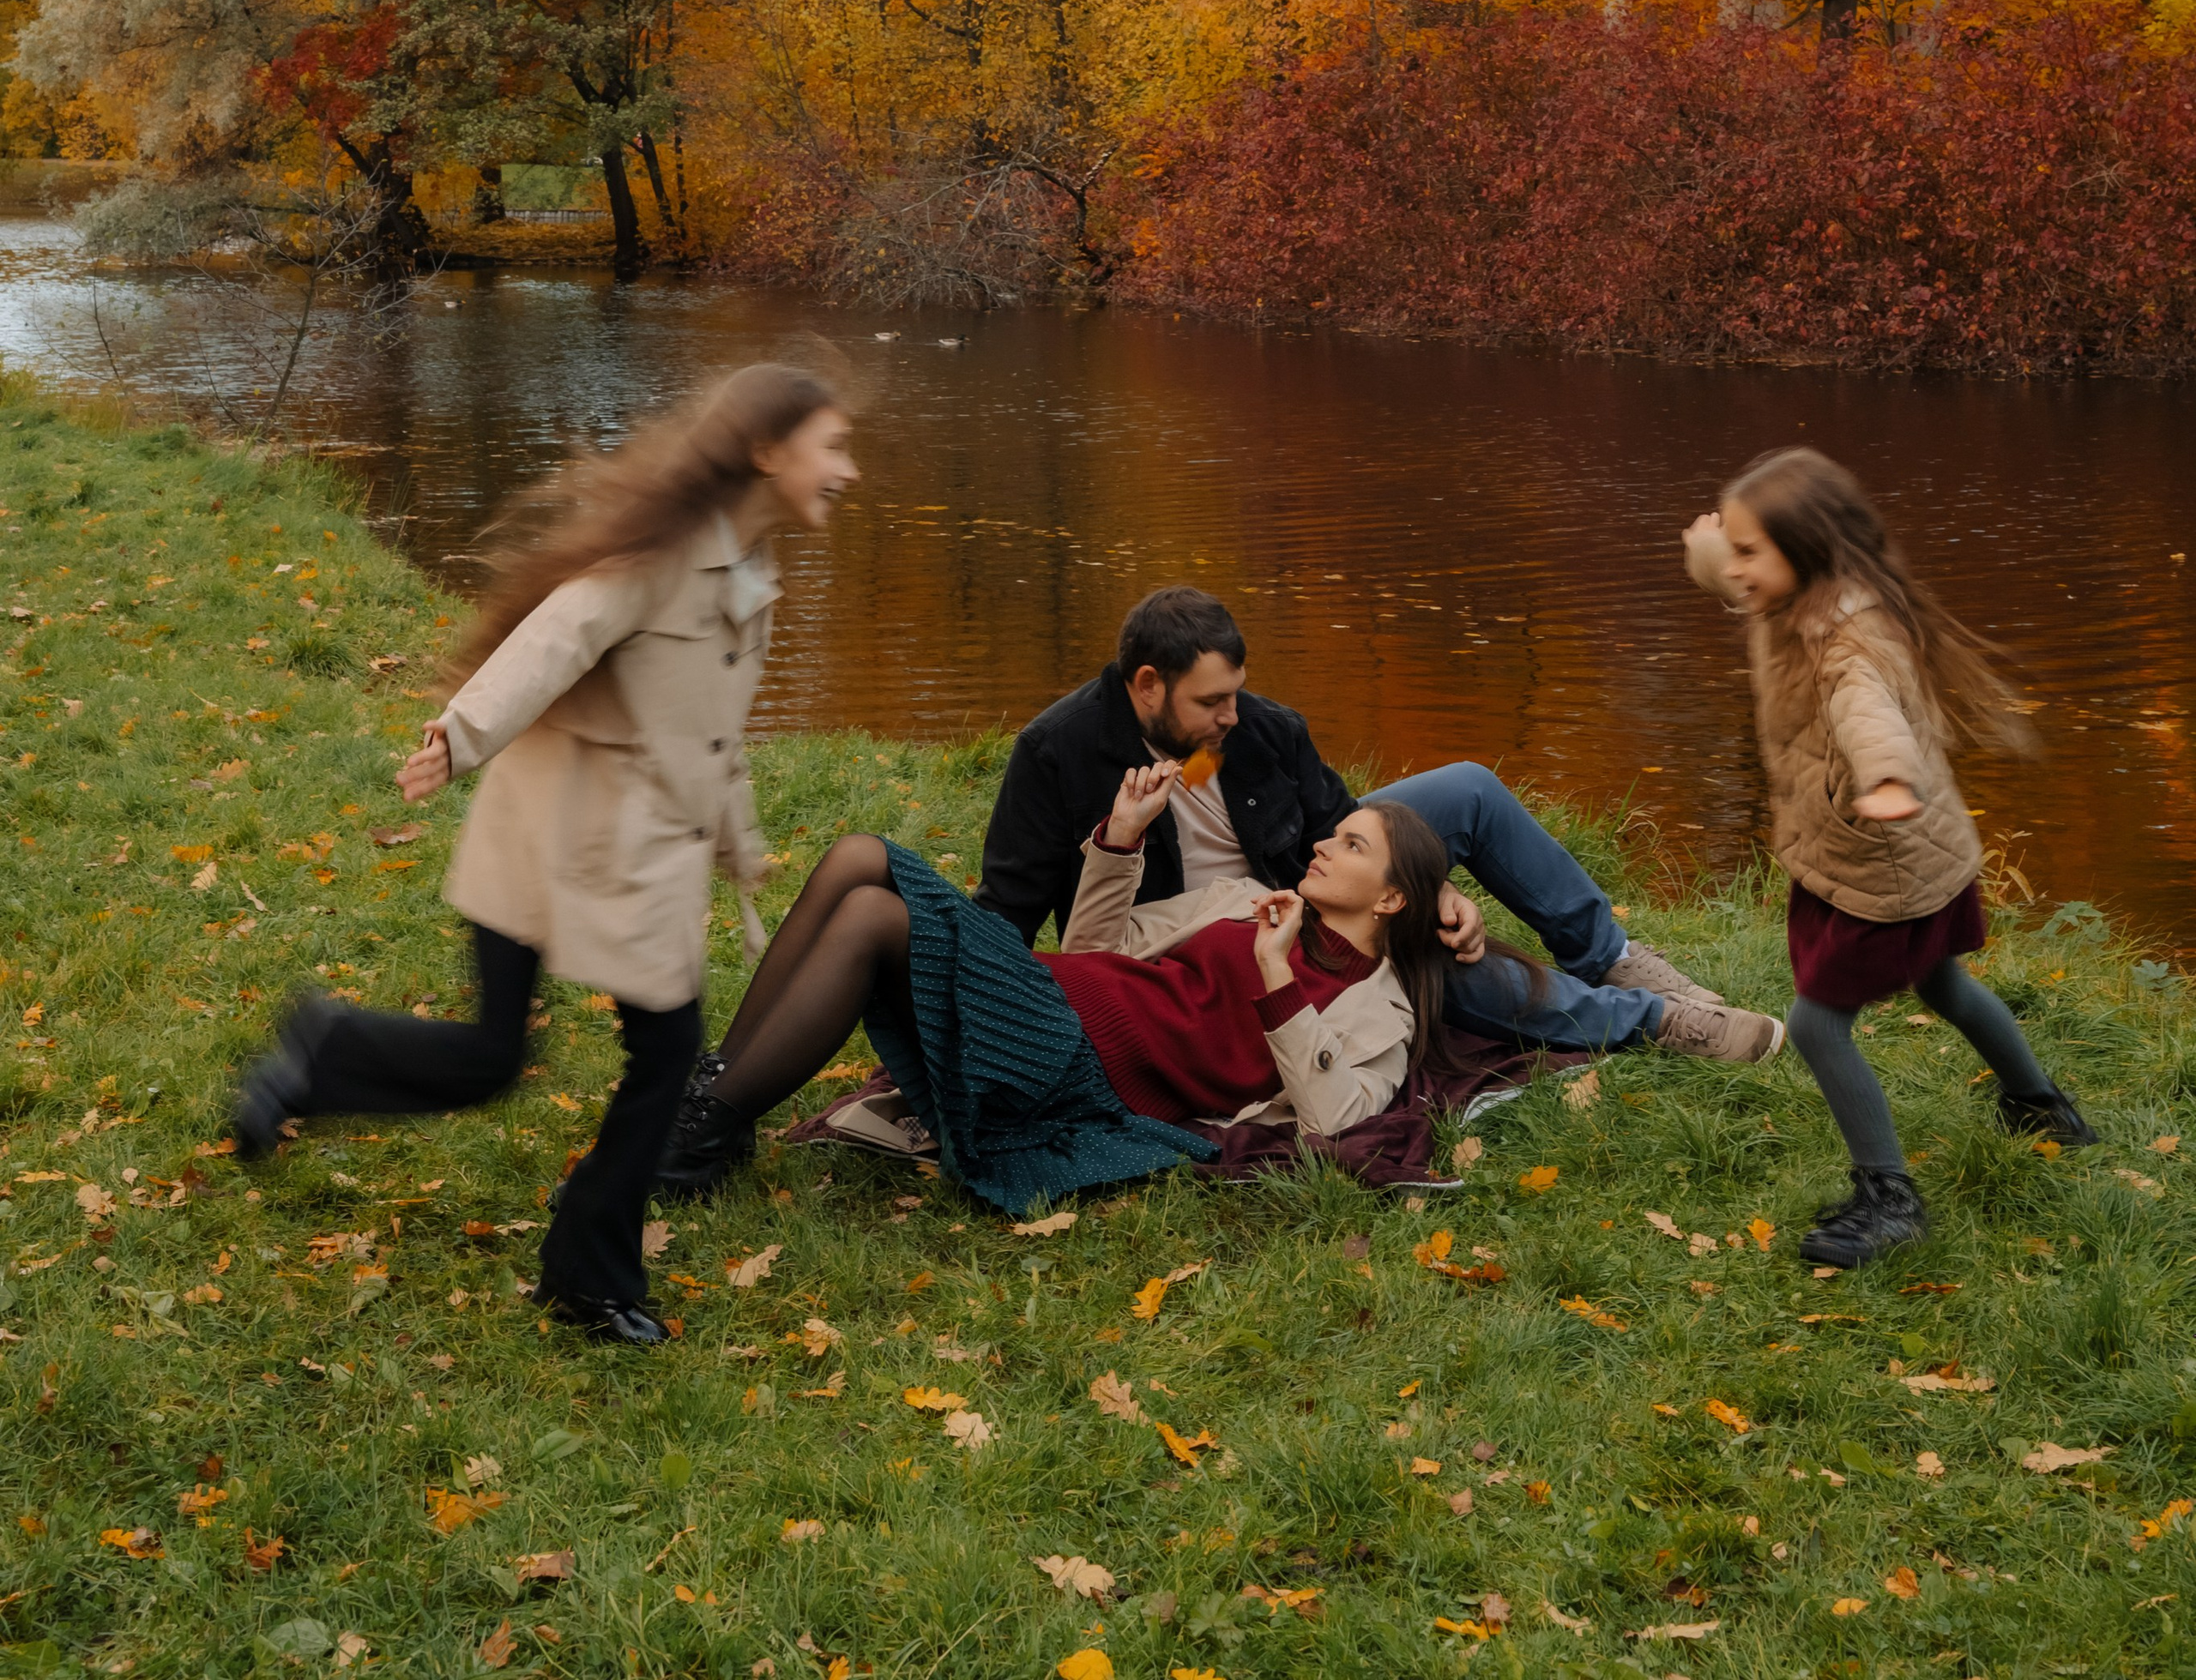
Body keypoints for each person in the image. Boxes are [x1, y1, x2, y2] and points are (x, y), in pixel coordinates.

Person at [230, 359, 858, 1346]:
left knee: (594, 1057)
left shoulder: (748, 571)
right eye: (831, 446)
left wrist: (741, 842)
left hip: (631, 853)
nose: (845, 469)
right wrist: (460, 733)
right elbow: (555, 636)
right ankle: (580, 1267)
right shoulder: (664, 558)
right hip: (552, 833)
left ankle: (341, 1065)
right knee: (543, 1057)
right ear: (769, 452)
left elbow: (708, 735)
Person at [968, 585, 1782, 1067]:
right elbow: (1006, 913)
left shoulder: (1258, 730)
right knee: (1416, 960)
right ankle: (1658, 1026)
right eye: (1210, 702)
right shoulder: (1057, 755)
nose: (1232, 715)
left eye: (1237, 692)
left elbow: (1342, 821)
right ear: (1147, 686)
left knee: (1465, 789)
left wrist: (1427, 887)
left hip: (1304, 877)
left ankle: (1614, 960)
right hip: (1218, 946)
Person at [651, 765, 1455, 1206]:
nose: (1322, 842)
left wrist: (1277, 971)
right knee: (862, 854)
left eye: (1350, 845)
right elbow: (1098, 949)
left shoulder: (1379, 1012)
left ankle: (698, 1132)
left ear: (1391, 898)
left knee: (871, 916)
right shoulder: (1247, 898)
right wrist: (1120, 844)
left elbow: (1336, 1117)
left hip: (1078, 1068)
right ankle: (711, 1100)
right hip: (1051, 994)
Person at [1685, 445, 2094, 1270]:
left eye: (1748, 550)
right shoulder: (1795, 590)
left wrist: (1888, 779)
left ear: (1804, 551)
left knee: (1815, 1025)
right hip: (1892, 854)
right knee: (1943, 982)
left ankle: (1889, 1199)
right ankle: (2044, 1109)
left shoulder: (1852, 642)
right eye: (1733, 547)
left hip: (1886, 864)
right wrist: (1713, 554)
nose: (1737, 568)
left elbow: (1871, 717)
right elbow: (1737, 581)